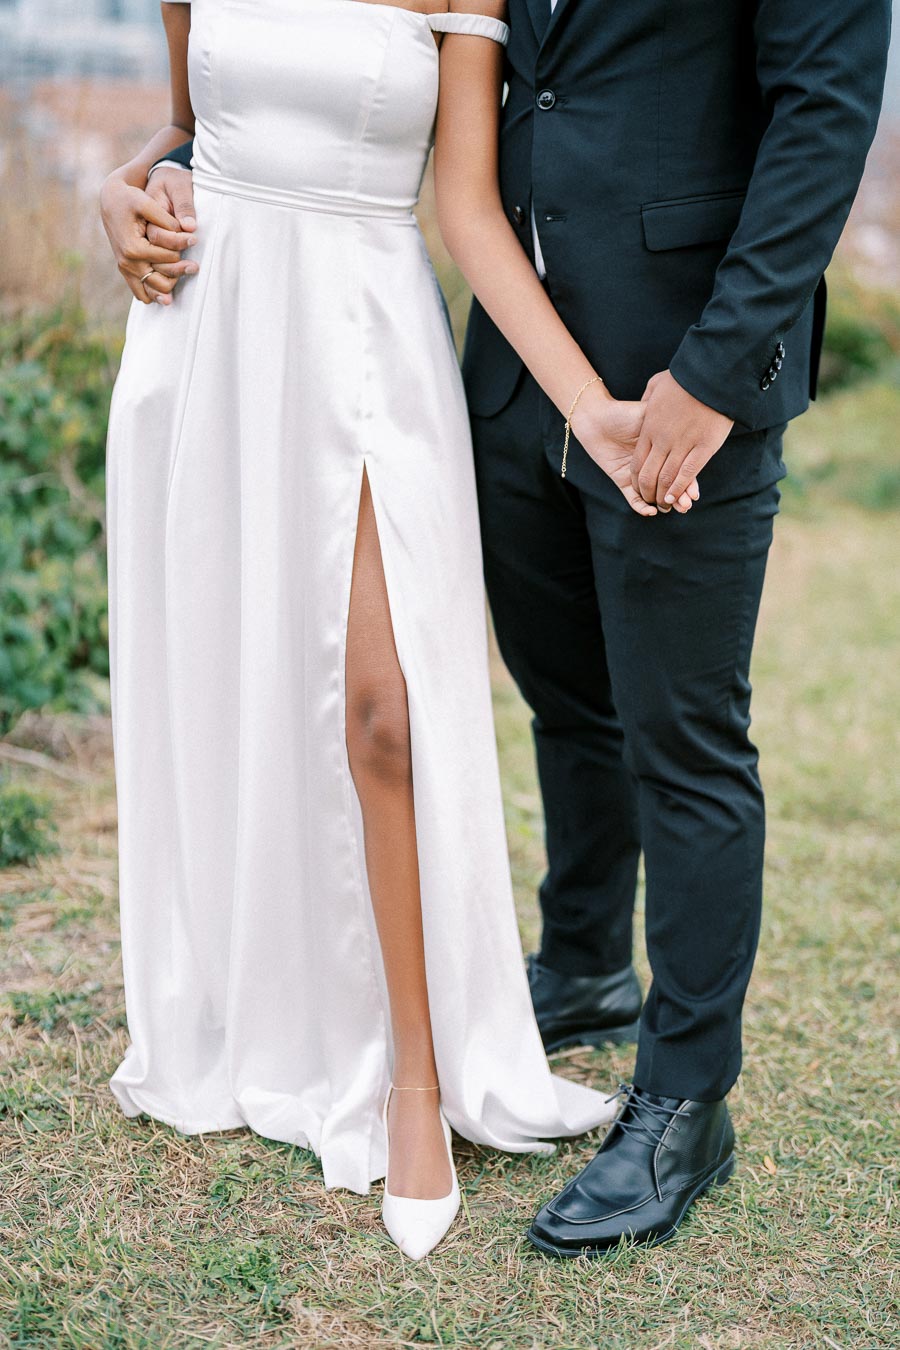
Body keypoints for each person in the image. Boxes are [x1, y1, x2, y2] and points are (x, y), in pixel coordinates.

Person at [100, 0, 701, 1262]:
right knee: (230, 679)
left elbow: (468, 210)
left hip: (367, 337)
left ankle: (416, 1080)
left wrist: (587, 408)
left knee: (385, 710)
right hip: (210, 332)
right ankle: (274, 1013)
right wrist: (127, 183)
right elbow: (192, 133)